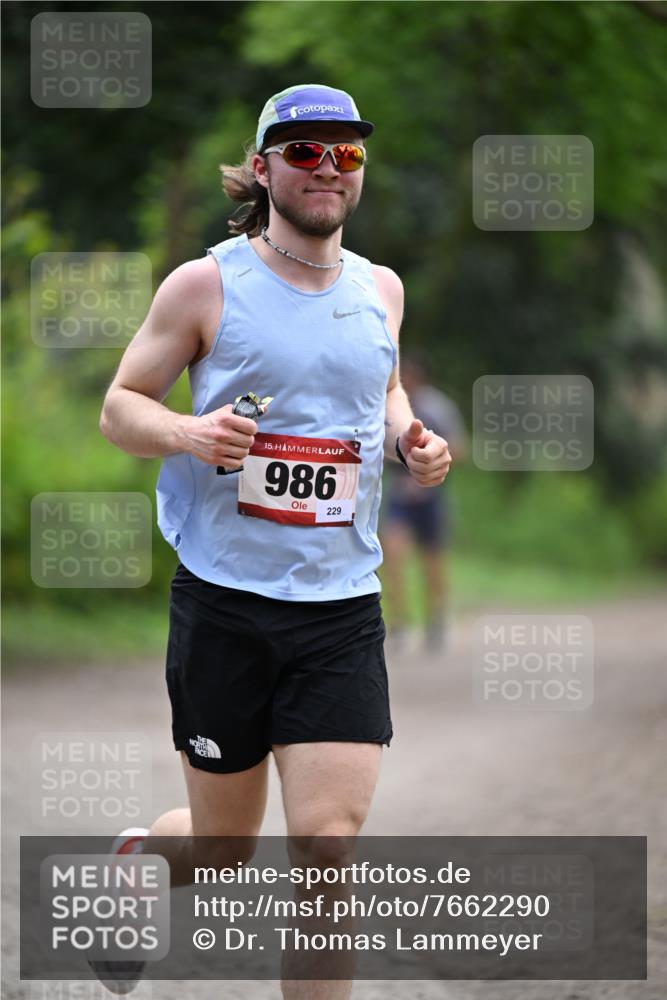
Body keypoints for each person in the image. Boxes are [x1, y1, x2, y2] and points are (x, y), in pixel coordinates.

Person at [96, 83, 451, 997]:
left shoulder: (381, 289)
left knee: (327, 849)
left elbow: (377, 389)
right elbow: (120, 407)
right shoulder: (206, 283)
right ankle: (141, 859)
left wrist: (411, 434)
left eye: (347, 154)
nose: (328, 167)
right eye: (304, 151)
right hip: (225, 600)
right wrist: (188, 433)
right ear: (262, 169)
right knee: (220, 853)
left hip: (338, 607)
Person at [381, 354, 466, 651]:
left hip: (431, 496)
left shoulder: (438, 407)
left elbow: (459, 448)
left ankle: (436, 620)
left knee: (432, 562)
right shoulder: (387, 406)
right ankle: (399, 623)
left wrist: (432, 460)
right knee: (393, 556)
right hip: (400, 497)